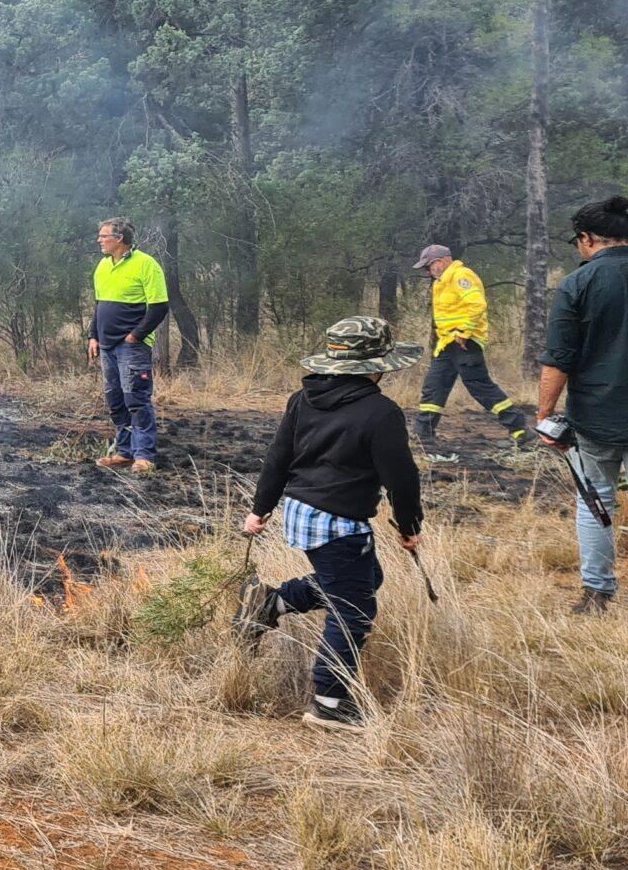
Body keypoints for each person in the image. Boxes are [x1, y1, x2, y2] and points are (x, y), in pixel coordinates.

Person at [235, 316, 424, 732]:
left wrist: (260, 510)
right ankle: (329, 702)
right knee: (353, 609)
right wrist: (410, 524)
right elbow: (401, 478)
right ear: (375, 367)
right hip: (338, 524)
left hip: (300, 513)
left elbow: (277, 458)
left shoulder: (303, 397)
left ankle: (273, 602)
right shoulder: (381, 412)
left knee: (364, 577)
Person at [538, 196, 628, 616]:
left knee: (595, 501)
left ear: (589, 239)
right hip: (599, 416)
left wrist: (544, 417)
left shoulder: (578, 283)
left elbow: (558, 359)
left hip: (596, 417)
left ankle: (597, 593)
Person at [410, 244, 529, 462]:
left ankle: (521, 431)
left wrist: (464, 332)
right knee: (433, 386)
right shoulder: (441, 281)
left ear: (443, 260)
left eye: (429, 266)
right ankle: (423, 433)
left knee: (480, 388)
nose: (428, 272)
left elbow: (476, 305)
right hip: (447, 344)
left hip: (465, 343)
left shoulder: (461, 275)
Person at [88, 217, 170, 472]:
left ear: (119, 238)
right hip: (107, 346)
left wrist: (135, 336)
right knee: (115, 399)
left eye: (104, 236)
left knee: (136, 397)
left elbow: (159, 307)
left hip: (131, 346)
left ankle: (144, 455)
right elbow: (99, 305)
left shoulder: (146, 264)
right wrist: (93, 335)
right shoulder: (102, 266)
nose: (99, 240)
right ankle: (124, 451)